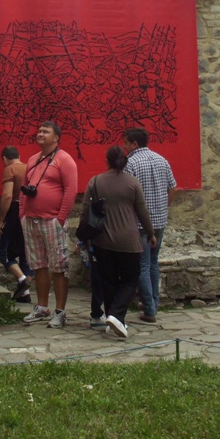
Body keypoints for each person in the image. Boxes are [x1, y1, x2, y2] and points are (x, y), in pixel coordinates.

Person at [81, 145, 156, 339]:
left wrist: (83, 235)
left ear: (106, 161)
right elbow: (142, 212)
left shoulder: (95, 181)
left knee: (109, 281)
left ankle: (114, 317)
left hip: (102, 240)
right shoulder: (133, 183)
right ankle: (116, 315)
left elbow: (85, 211)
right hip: (128, 240)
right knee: (130, 280)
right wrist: (150, 233)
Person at [19, 120, 78, 328]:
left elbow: (70, 191)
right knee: (39, 266)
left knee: (59, 267)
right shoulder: (33, 159)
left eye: (45, 132)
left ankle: (60, 311)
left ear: (56, 138)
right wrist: (22, 214)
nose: (40, 134)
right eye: (39, 131)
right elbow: (25, 187)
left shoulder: (65, 160)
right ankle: (42, 307)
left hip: (52, 220)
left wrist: (60, 218)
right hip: (31, 220)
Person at [124, 126, 176, 324]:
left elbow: (129, 194)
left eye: (126, 142)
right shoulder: (161, 159)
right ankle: (154, 302)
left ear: (134, 143)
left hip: (139, 223)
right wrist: (163, 206)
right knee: (154, 262)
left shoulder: (131, 163)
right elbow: (173, 187)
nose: (124, 146)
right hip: (160, 220)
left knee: (142, 265)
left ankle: (149, 309)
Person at [0, 146, 32, 302]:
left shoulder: (10, 169)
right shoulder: (29, 168)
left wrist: (0, 219)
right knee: (24, 251)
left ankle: (22, 279)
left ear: (4, 158)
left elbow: (7, 196)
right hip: (29, 211)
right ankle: (25, 294)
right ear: (19, 155)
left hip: (15, 210)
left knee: (3, 251)